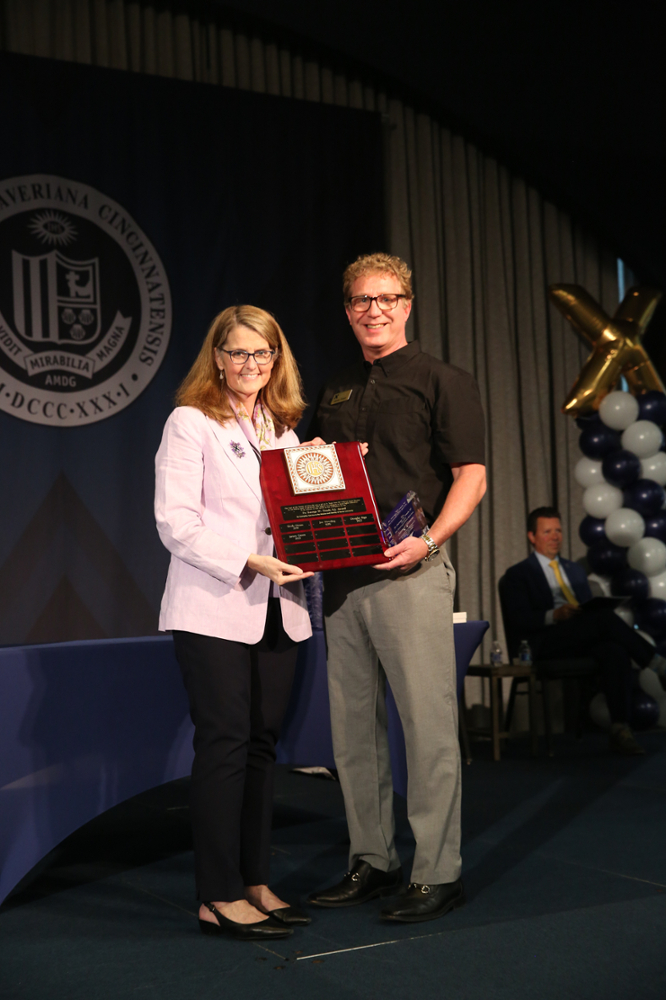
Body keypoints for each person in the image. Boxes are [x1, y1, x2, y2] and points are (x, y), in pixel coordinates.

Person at [307, 253, 486, 923]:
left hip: (412, 571)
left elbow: (472, 475)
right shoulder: (338, 387)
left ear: (407, 305)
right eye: (360, 300)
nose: (373, 310)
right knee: (353, 732)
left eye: (386, 298)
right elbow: (319, 477)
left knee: (428, 727)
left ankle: (438, 872)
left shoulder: (444, 380)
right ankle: (373, 860)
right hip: (343, 579)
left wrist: (431, 540)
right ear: (348, 309)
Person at [155, 305, 314, 940]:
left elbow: (300, 519)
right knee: (223, 745)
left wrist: (322, 536)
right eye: (239, 353)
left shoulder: (286, 430)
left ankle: (253, 880)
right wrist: (248, 560)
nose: (251, 365)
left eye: (263, 354)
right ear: (217, 357)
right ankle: (216, 895)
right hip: (215, 605)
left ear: (278, 361)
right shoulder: (189, 422)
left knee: (260, 747)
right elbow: (175, 522)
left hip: (282, 608)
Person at [500, 506, 666, 755]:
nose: (555, 536)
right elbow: (519, 619)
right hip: (544, 641)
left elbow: (589, 614)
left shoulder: (575, 571)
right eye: (547, 532)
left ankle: (620, 729)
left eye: (558, 530)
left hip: (579, 636)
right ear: (532, 537)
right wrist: (554, 614)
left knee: (614, 650)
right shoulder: (518, 575)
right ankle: (656, 663)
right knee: (603, 619)